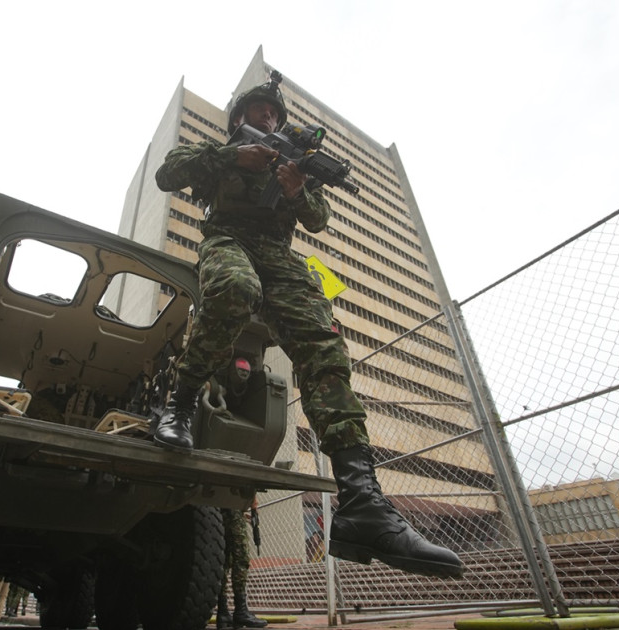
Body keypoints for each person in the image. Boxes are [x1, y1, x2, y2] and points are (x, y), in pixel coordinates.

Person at [154, 71, 464, 579]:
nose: (270, 117)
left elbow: (317, 219)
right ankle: (180, 406)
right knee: (235, 290)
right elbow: (170, 173)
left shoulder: (292, 164)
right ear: (240, 118)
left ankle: (362, 501)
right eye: (260, 111)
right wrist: (233, 156)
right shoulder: (218, 150)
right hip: (228, 240)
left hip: (280, 256)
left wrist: (297, 189)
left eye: (275, 113)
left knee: (325, 346)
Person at [216, 500, 267, 629]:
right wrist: (252, 500)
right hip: (233, 506)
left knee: (225, 559)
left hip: (221, 507)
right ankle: (240, 611)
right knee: (241, 558)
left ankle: (223, 612)